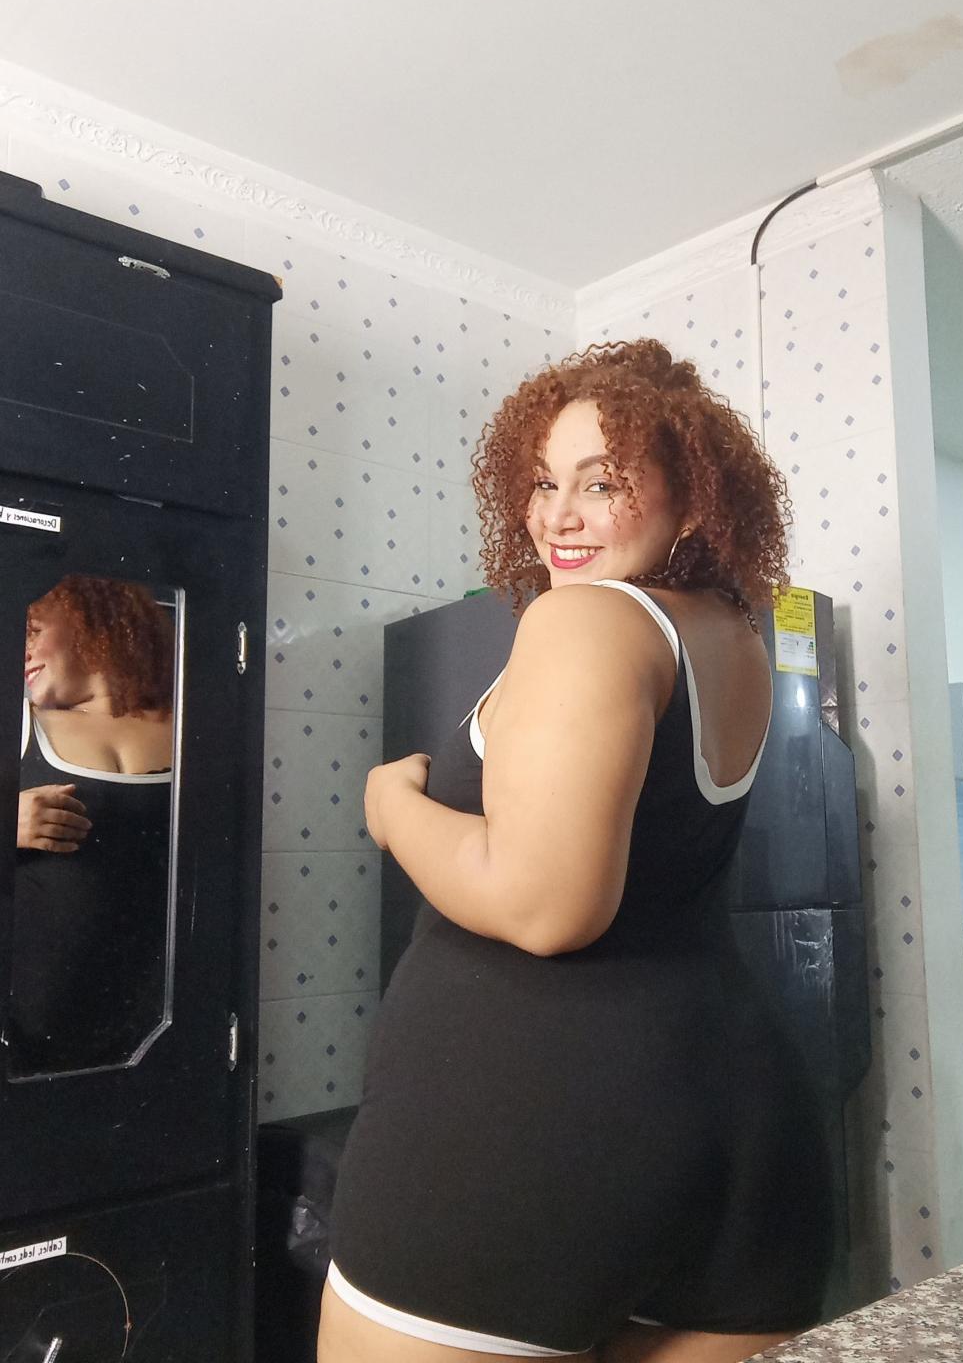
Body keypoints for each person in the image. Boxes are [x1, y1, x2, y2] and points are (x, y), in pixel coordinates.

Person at [321, 340, 833, 1363]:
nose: (558, 515)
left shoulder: (588, 620)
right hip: (731, 1127)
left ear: (694, 500)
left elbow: (547, 903)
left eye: (602, 483)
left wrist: (391, 805)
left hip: (522, 1135)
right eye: (543, 483)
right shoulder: (735, 636)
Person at [12, 574, 175, 1075]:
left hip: (158, 1032)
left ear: (93, 621)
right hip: (25, 1037)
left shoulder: (192, 723)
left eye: (33, 630)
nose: (21, 650)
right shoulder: (20, 724)